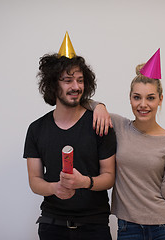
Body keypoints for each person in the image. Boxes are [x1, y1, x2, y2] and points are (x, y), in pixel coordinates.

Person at [23, 32, 117, 240]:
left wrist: (84, 182)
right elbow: (34, 180)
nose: (76, 87)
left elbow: (109, 176)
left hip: (95, 226)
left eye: (80, 80)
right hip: (52, 225)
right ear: (52, 85)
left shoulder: (99, 124)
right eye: (67, 80)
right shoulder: (36, 129)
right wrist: (55, 188)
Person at [89, 49, 165, 240]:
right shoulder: (118, 125)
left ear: (160, 100)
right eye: (137, 97)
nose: (143, 104)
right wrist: (100, 106)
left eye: (150, 98)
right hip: (129, 228)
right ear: (130, 99)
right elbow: (84, 103)